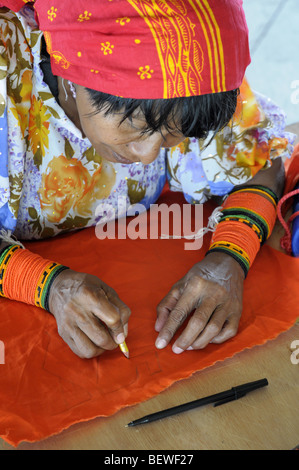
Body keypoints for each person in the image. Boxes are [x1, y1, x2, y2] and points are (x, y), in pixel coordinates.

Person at [0, 0, 295, 359]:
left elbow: (260, 160)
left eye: (174, 136)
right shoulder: (7, 73)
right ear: (73, 77)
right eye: (138, 129)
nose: (149, 155)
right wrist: (48, 285)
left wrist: (229, 257)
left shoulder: (193, 78)